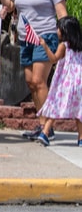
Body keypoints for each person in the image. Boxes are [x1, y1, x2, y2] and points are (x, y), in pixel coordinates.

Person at [0, 0, 67, 140]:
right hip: (26, 39)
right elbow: (10, 5)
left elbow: (62, 14)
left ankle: (48, 127)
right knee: (31, 83)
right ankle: (42, 125)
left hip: (45, 37)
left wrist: (64, 40)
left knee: (40, 82)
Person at [35, 16, 82, 147]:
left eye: (59, 28)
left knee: (56, 106)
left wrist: (45, 46)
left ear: (65, 31)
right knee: (79, 111)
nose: (57, 31)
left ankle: (45, 133)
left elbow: (53, 59)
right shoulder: (79, 47)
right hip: (79, 82)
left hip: (66, 82)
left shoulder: (64, 46)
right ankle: (81, 138)